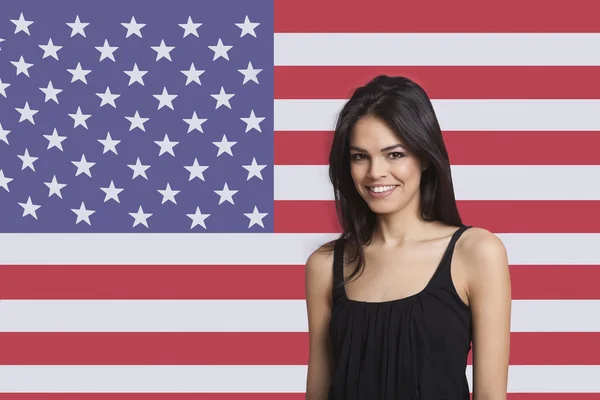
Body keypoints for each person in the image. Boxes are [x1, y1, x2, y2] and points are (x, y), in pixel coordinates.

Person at [304, 75, 511, 399]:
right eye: (360, 156)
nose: (375, 172)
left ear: (425, 156)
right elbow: (318, 392)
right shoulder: (326, 264)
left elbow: (490, 395)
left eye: (394, 154)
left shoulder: (477, 253)